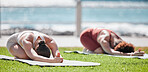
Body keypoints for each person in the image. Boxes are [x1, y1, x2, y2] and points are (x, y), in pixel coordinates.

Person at [80, 28, 145, 56]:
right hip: (86, 36)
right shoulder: (104, 39)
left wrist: (134, 52)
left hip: (95, 36)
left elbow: (125, 48)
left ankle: (90, 47)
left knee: (104, 49)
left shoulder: (119, 40)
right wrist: (131, 55)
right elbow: (110, 52)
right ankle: (87, 50)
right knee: (101, 51)